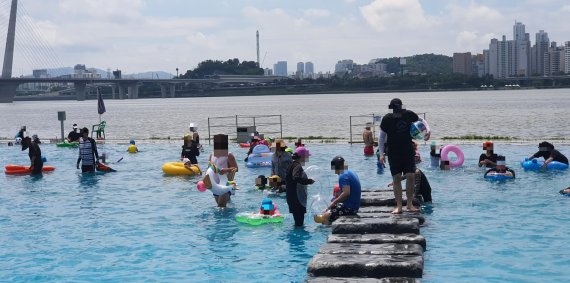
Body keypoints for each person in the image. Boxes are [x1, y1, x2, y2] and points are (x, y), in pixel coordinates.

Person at [378, 98, 429, 214]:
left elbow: (422, 120)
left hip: (408, 151)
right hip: (393, 152)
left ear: (401, 107)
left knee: (410, 176)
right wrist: (381, 154)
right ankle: (399, 206)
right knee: (396, 179)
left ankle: (409, 204)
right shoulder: (386, 119)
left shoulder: (408, 114)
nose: (397, 110)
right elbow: (381, 137)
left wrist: (428, 131)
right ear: (391, 109)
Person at [315, 156, 361, 225]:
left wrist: (334, 202)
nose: (335, 173)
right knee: (328, 210)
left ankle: (326, 232)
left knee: (326, 217)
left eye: (334, 170)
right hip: (354, 206)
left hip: (350, 209)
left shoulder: (343, 175)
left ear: (336, 167)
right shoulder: (351, 172)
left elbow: (346, 193)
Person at [204, 134, 238, 208]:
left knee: (221, 206)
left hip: (225, 184)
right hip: (214, 185)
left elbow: (236, 168)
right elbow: (209, 168)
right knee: (221, 207)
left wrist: (226, 169)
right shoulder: (212, 155)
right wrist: (204, 180)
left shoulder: (229, 155)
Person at [285, 147, 314, 226]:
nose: (307, 159)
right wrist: (309, 181)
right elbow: (296, 177)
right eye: (306, 157)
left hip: (291, 197)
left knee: (297, 223)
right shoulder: (297, 166)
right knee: (299, 223)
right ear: (302, 157)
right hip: (297, 198)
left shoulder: (291, 165)